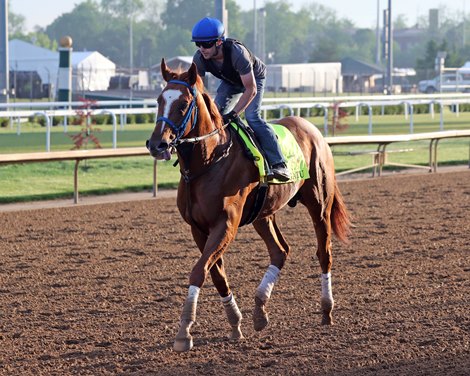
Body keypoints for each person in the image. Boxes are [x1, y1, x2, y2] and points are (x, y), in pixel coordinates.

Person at [191, 17, 290, 182]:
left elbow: (250, 89)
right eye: (198, 44)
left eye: (207, 44)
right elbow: (199, 91)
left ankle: (279, 163)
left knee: (252, 117)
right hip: (231, 82)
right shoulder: (199, 59)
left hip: (254, 80)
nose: (202, 49)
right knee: (215, 116)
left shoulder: (238, 53)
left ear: (219, 42)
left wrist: (235, 113)